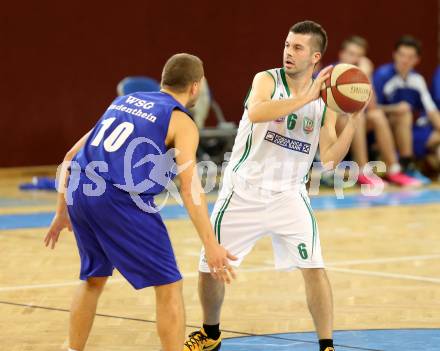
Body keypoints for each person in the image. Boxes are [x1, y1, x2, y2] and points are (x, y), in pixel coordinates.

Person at [184, 21, 365, 351]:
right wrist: (306, 96)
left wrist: (351, 121)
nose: (288, 53)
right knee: (210, 268)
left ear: (315, 56)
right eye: (286, 45)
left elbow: (329, 159)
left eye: (297, 48)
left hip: (289, 195)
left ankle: (327, 344)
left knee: (314, 267)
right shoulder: (267, 79)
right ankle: (211, 333)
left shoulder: (324, 102)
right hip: (243, 191)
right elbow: (256, 113)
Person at [44, 53, 236, 351]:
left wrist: (61, 212)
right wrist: (211, 244)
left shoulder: (122, 102)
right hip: (118, 199)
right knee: (169, 285)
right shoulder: (181, 121)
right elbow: (190, 189)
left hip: (81, 189)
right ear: (195, 87)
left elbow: (70, 156)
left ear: (163, 79)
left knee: (93, 278)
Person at [337, 36, 420, 187]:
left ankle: (394, 169)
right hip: (330, 128)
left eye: (359, 56)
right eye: (351, 54)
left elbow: (372, 106)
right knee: (357, 116)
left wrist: (366, 75)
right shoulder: (331, 73)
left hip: (354, 125)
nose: (354, 59)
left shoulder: (359, 75)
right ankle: (362, 171)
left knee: (376, 115)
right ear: (341, 54)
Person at [373, 36, 440, 184]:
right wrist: (393, 109)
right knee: (404, 113)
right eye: (402, 55)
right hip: (378, 129)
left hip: (405, 131)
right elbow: (371, 109)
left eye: (410, 57)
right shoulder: (382, 75)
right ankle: (400, 166)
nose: (405, 60)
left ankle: (407, 166)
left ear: (417, 60)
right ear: (394, 55)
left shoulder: (417, 80)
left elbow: (431, 110)